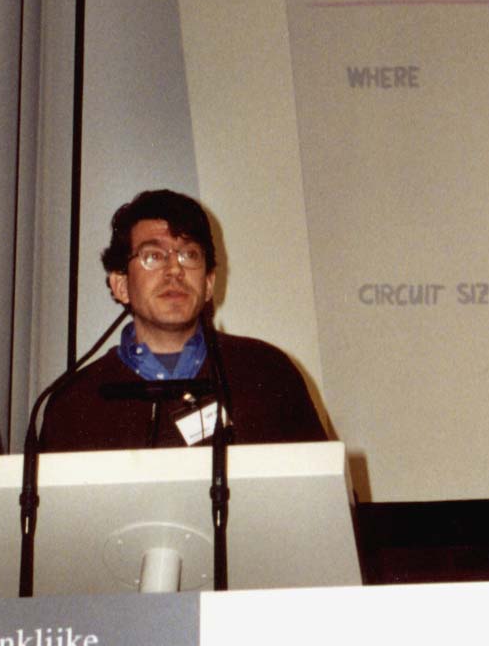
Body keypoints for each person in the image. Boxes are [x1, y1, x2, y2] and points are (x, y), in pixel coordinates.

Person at [39, 189, 327, 451]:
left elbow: (322, 487)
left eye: (189, 254)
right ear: (121, 285)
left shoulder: (269, 374)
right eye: (153, 256)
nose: (175, 270)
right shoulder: (74, 402)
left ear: (209, 283)